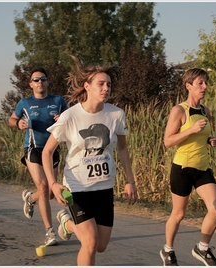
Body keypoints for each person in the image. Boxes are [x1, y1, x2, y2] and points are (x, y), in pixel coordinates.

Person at [42, 55, 138, 265]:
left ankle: (67, 223)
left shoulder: (116, 115)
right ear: (87, 86)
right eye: (101, 84)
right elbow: (47, 152)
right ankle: (71, 220)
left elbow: (122, 148)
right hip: (77, 187)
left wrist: (130, 181)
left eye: (109, 84)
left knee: (101, 246)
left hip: (104, 187)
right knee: (91, 242)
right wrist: (53, 183)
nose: (106, 88)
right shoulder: (70, 116)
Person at [160, 68, 216, 266]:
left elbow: (201, 138)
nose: (204, 87)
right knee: (179, 214)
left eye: (205, 83)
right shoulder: (179, 110)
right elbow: (168, 142)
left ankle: (202, 249)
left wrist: (211, 140)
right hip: (183, 169)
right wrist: (192, 129)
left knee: (215, 211)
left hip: (202, 168)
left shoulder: (206, 111)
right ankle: (168, 250)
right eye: (200, 83)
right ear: (188, 86)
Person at [8, 68, 68, 246]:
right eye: (36, 80)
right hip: (32, 149)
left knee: (49, 192)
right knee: (42, 186)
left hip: (53, 150)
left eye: (43, 79)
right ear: (31, 84)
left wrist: (62, 119)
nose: (39, 82)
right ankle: (50, 232)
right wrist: (18, 123)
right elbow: (11, 120)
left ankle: (30, 198)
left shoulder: (58, 101)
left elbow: (70, 118)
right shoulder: (24, 103)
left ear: (47, 81)